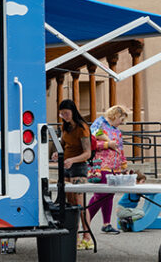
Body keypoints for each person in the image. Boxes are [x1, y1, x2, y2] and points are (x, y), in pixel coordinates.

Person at [51, 98, 93, 249]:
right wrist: (57, 153)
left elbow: (87, 153)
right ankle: (74, 235)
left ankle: (87, 236)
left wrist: (73, 160)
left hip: (78, 166)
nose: (65, 116)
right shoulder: (65, 127)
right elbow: (63, 143)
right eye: (62, 114)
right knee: (69, 203)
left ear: (73, 111)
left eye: (66, 113)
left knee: (80, 204)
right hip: (67, 165)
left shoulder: (82, 128)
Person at [86, 104, 130, 234]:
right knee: (101, 194)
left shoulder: (117, 131)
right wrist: (106, 144)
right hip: (101, 164)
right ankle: (85, 220)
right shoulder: (99, 125)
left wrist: (123, 163)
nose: (122, 123)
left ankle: (106, 223)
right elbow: (90, 143)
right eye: (121, 119)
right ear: (116, 116)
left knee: (110, 194)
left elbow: (120, 148)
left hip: (114, 167)